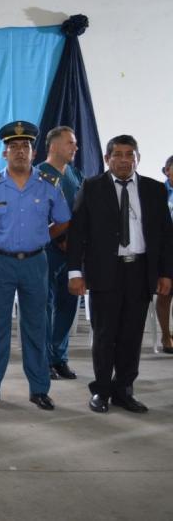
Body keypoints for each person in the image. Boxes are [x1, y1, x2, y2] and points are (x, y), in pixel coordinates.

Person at [0, 121, 70, 410]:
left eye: (25, 146)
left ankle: (39, 389)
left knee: (36, 326)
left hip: (36, 262)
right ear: (4, 153)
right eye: (14, 147)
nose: (20, 152)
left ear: (34, 152)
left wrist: (41, 237)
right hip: (1, 263)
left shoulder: (48, 185)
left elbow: (63, 220)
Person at [68, 135, 173, 413]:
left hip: (140, 271)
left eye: (130, 154)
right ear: (107, 159)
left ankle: (124, 390)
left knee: (131, 335)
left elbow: (165, 236)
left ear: (138, 158)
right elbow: (77, 234)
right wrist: (75, 273)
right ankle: (101, 391)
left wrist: (166, 273)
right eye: (118, 154)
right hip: (104, 272)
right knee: (105, 334)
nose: (125, 160)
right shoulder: (91, 187)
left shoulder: (154, 190)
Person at [36, 126, 83, 380]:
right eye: (70, 143)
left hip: (73, 253)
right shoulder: (39, 175)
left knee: (68, 304)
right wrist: (59, 238)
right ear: (53, 146)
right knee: (45, 305)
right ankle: (43, 359)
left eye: (74, 143)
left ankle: (59, 357)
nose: (75, 147)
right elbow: (35, 214)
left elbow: (83, 209)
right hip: (48, 250)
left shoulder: (75, 174)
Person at [154, 154, 173, 354]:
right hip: (164, 251)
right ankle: (166, 336)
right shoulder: (158, 192)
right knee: (165, 294)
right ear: (166, 170)